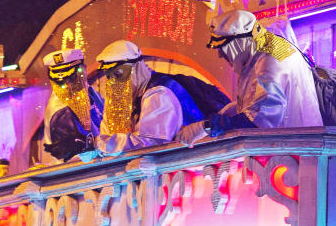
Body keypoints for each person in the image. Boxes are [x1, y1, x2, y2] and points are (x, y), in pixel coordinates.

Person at [181, 9, 322, 140]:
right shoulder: (263, 53)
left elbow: (264, 116)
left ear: (238, 42)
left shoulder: (269, 60)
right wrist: (231, 111)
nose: (220, 55)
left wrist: (209, 127)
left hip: (290, 150)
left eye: (222, 48)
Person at [93, 40, 222, 156]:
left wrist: (99, 144)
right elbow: (107, 134)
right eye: (109, 76)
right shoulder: (123, 99)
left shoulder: (159, 93)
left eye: (119, 74)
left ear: (136, 69)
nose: (114, 82)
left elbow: (149, 145)